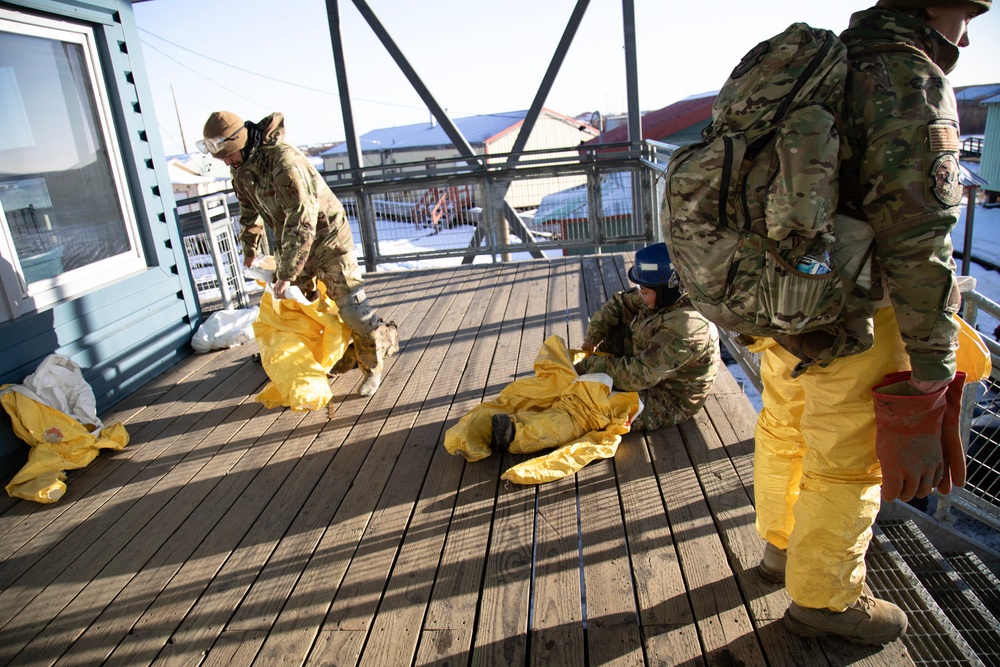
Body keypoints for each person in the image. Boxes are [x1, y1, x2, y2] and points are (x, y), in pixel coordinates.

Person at [752, 0, 990, 645]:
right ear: (935, 6)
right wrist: (934, 368)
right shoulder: (906, 76)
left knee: (784, 426)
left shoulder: (811, 60)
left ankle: (781, 548)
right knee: (846, 464)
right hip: (859, 312)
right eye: (968, 14)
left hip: (779, 296)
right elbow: (917, 242)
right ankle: (825, 602)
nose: (968, 32)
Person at [199, 111, 395, 396]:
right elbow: (248, 213)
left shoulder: (283, 160)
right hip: (293, 245)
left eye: (227, 156)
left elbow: (302, 218)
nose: (225, 162)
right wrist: (251, 250)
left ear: (240, 143)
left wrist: (287, 273)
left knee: (353, 310)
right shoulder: (240, 169)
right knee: (300, 309)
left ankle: (372, 366)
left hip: (328, 241)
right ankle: (315, 361)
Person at [565, 243, 720, 432]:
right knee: (585, 390)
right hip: (650, 370)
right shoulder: (666, 297)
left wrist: (588, 366)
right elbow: (618, 304)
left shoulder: (686, 327)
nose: (641, 295)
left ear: (666, 290)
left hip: (668, 397)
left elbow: (640, 376)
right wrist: (593, 337)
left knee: (591, 412)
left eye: (645, 291)